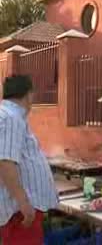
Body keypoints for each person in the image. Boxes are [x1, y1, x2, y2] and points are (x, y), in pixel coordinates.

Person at [0, 75, 58, 245]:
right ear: (29, 94)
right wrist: (23, 202)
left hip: (19, 208)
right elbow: (5, 161)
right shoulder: (11, 117)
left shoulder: (8, 115)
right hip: (20, 210)